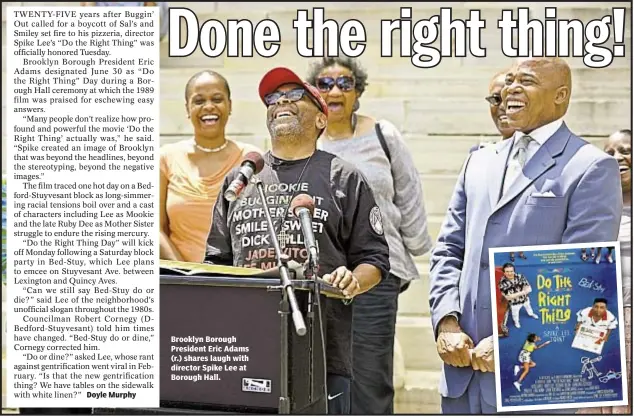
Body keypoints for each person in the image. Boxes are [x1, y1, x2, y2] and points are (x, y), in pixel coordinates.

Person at [428, 57, 622, 414]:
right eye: (510, 80)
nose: (510, 89)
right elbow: (448, 251)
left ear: (560, 95)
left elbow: (580, 279)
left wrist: (508, 345)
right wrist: (447, 322)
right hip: (461, 375)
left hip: (533, 380)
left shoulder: (590, 166)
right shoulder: (479, 161)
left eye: (527, 81)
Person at [203, 66, 391, 415]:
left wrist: (352, 280)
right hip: (246, 347)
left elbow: (375, 259)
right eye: (274, 98)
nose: (281, 102)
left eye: (294, 96)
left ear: (321, 120)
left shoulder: (345, 177)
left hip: (320, 349)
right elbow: (216, 262)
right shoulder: (241, 179)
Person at [306, 56, 433, 415]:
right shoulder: (305, 142)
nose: (334, 90)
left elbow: (407, 190)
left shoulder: (382, 133)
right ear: (314, 94)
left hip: (376, 272)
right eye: (325, 83)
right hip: (325, 275)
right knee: (326, 377)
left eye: (344, 83)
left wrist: (415, 245)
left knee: (370, 375)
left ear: (357, 93)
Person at [159, 70, 262, 263]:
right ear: (187, 108)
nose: (208, 107)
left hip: (237, 281)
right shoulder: (165, 157)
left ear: (229, 106)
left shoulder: (250, 159)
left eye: (217, 99)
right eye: (199, 101)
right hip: (178, 281)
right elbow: (155, 229)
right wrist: (187, 275)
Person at [578, 129, 632, 415]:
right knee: (594, 399)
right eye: (609, 153)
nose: (617, 158)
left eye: (625, 150)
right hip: (595, 319)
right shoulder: (588, 209)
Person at [499, 263, 539, 329]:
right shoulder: (502, 282)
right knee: (515, 314)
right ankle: (516, 322)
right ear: (504, 272)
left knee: (528, 307)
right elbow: (508, 297)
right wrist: (523, 292)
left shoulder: (520, 276)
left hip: (525, 299)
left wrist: (514, 295)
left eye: (511, 271)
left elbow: (529, 289)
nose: (510, 273)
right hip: (514, 303)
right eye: (507, 271)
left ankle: (531, 314)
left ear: (514, 271)